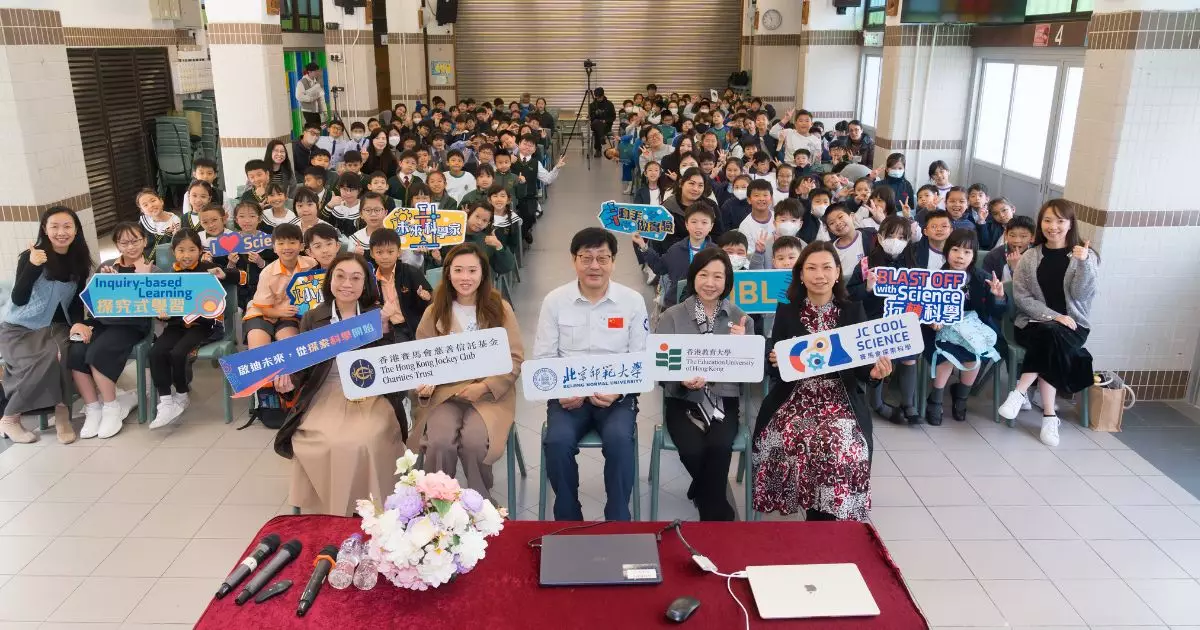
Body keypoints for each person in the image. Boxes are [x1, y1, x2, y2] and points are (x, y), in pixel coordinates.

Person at [754, 241, 892, 520]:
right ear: (801, 275)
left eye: (827, 267)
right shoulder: (787, 310)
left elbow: (863, 367)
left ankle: (824, 517)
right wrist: (775, 361)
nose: (820, 275)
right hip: (795, 395)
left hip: (840, 396)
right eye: (812, 268)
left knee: (838, 441)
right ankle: (812, 509)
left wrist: (875, 374)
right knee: (789, 437)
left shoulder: (854, 311)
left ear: (838, 272)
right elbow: (778, 368)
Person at [273, 253, 409, 516]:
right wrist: (289, 380)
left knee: (364, 439)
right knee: (325, 441)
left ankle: (371, 506)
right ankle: (327, 507)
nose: (347, 284)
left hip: (370, 391)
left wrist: (387, 327)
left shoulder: (376, 314)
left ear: (365, 283)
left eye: (356, 278)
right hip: (326, 389)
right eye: (340, 276)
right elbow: (303, 362)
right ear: (330, 280)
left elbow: (396, 363)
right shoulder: (314, 317)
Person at [535, 228, 648, 521]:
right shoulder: (555, 301)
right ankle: (569, 516)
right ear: (574, 261)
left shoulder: (632, 301)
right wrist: (560, 392)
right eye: (586, 258)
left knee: (620, 441)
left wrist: (619, 391)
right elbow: (544, 358)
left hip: (616, 395)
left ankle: (618, 516)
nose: (594, 266)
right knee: (557, 442)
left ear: (613, 261)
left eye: (602, 258)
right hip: (568, 396)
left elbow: (641, 357)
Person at [410, 243, 524, 502]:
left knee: (474, 443)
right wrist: (424, 383)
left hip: (488, 394)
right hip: (445, 395)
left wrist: (484, 387)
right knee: (439, 441)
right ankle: (437, 503)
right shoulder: (435, 310)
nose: (465, 277)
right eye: (458, 270)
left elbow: (515, 357)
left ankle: (479, 503)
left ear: (483, 274)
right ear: (448, 273)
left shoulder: (500, 308)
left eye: (472, 270)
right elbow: (421, 359)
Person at [655, 248, 752, 520]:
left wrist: (743, 346)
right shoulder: (671, 316)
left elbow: (750, 371)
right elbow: (659, 365)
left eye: (718, 276)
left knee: (720, 446)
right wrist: (679, 378)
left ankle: (701, 492)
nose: (710, 283)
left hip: (724, 399)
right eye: (704, 275)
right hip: (682, 398)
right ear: (693, 276)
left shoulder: (740, 317)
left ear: (727, 280)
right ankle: (718, 509)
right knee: (692, 448)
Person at [998, 199, 1098, 447]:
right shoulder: (1030, 257)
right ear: (1040, 223)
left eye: (1060, 221)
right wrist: (1053, 316)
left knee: (1051, 337)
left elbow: (1082, 295)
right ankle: (1049, 417)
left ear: (1070, 224)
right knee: (1050, 335)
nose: (1053, 226)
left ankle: (1019, 391)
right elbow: (1022, 298)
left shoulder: (1084, 255)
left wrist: (1084, 263)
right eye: (1047, 220)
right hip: (1032, 323)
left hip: (1074, 327)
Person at [0, 207, 93, 444]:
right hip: (17, 328)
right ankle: (10, 418)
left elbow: (74, 301)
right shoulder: (30, 256)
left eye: (67, 226)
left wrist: (78, 323)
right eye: (54, 227)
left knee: (62, 353)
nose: (61, 232)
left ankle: (63, 414)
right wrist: (32, 267)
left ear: (76, 230)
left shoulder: (79, 260)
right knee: (43, 359)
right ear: (45, 229)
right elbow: (19, 298)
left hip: (55, 326)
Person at [70, 221, 153, 439]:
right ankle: (93, 408)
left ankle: (111, 407)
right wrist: (105, 283)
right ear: (117, 244)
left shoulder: (153, 268)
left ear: (144, 240)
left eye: (135, 240)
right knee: (77, 349)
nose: (131, 246)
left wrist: (143, 278)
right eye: (124, 242)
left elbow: (161, 305)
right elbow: (92, 303)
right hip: (103, 322)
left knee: (98, 353)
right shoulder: (107, 267)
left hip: (131, 325)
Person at [923, 229, 1007, 425]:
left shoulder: (982, 278)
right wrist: (931, 319)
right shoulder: (933, 278)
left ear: (974, 256)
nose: (960, 256)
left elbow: (995, 312)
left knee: (973, 356)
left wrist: (998, 296)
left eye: (967, 252)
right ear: (946, 252)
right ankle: (935, 399)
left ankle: (961, 397)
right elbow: (922, 307)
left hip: (972, 328)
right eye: (955, 249)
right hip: (938, 329)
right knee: (946, 355)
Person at [148, 229, 226, 429]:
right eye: (181, 250)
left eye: (192, 249)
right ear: (174, 252)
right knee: (156, 351)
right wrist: (161, 314)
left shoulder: (207, 269)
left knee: (178, 352)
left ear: (200, 251)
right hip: (176, 325)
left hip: (204, 326)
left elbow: (232, 277)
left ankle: (182, 394)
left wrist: (224, 273)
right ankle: (165, 401)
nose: (186, 254)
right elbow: (161, 305)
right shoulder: (170, 276)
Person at [846, 215, 917, 422]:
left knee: (910, 354)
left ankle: (908, 403)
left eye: (902, 237)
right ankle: (877, 404)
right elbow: (850, 296)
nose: (896, 240)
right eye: (891, 235)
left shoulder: (912, 263)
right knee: (881, 354)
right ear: (880, 236)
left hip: (902, 320)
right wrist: (867, 287)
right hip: (872, 321)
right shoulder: (866, 264)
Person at [633, 201, 716, 308]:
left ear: (711, 226)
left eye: (704, 222)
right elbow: (660, 267)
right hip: (677, 305)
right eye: (694, 222)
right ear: (686, 224)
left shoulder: (716, 253)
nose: (698, 227)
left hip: (707, 305)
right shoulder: (676, 249)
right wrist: (643, 246)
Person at [369, 229, 431, 339]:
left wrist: (425, 298)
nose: (385, 257)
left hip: (415, 326)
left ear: (399, 252)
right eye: (379, 252)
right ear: (372, 253)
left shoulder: (411, 272)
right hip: (388, 330)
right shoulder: (370, 279)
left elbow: (431, 301)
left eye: (390, 252)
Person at [982, 215, 1034, 282]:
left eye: (1023, 236)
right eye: (1012, 235)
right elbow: (986, 285)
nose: (1017, 240)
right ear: (1006, 235)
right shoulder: (993, 256)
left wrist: (1017, 269)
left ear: (1032, 238)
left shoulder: (1037, 256)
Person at [294, 62, 326, 128]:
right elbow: (299, 96)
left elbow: (321, 97)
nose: (317, 72)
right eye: (315, 71)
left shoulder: (316, 82)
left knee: (318, 129)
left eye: (318, 70)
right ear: (309, 72)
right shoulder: (301, 82)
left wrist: (323, 110)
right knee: (312, 129)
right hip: (308, 111)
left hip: (317, 110)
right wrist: (312, 98)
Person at [588, 86, 616, 158]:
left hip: (606, 126)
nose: (598, 99)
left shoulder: (609, 104)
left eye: (600, 97)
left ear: (603, 95)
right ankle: (602, 138)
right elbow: (591, 118)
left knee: (598, 130)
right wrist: (595, 114)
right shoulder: (592, 105)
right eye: (597, 97)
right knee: (597, 123)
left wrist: (605, 120)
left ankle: (598, 150)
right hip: (595, 124)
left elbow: (613, 117)